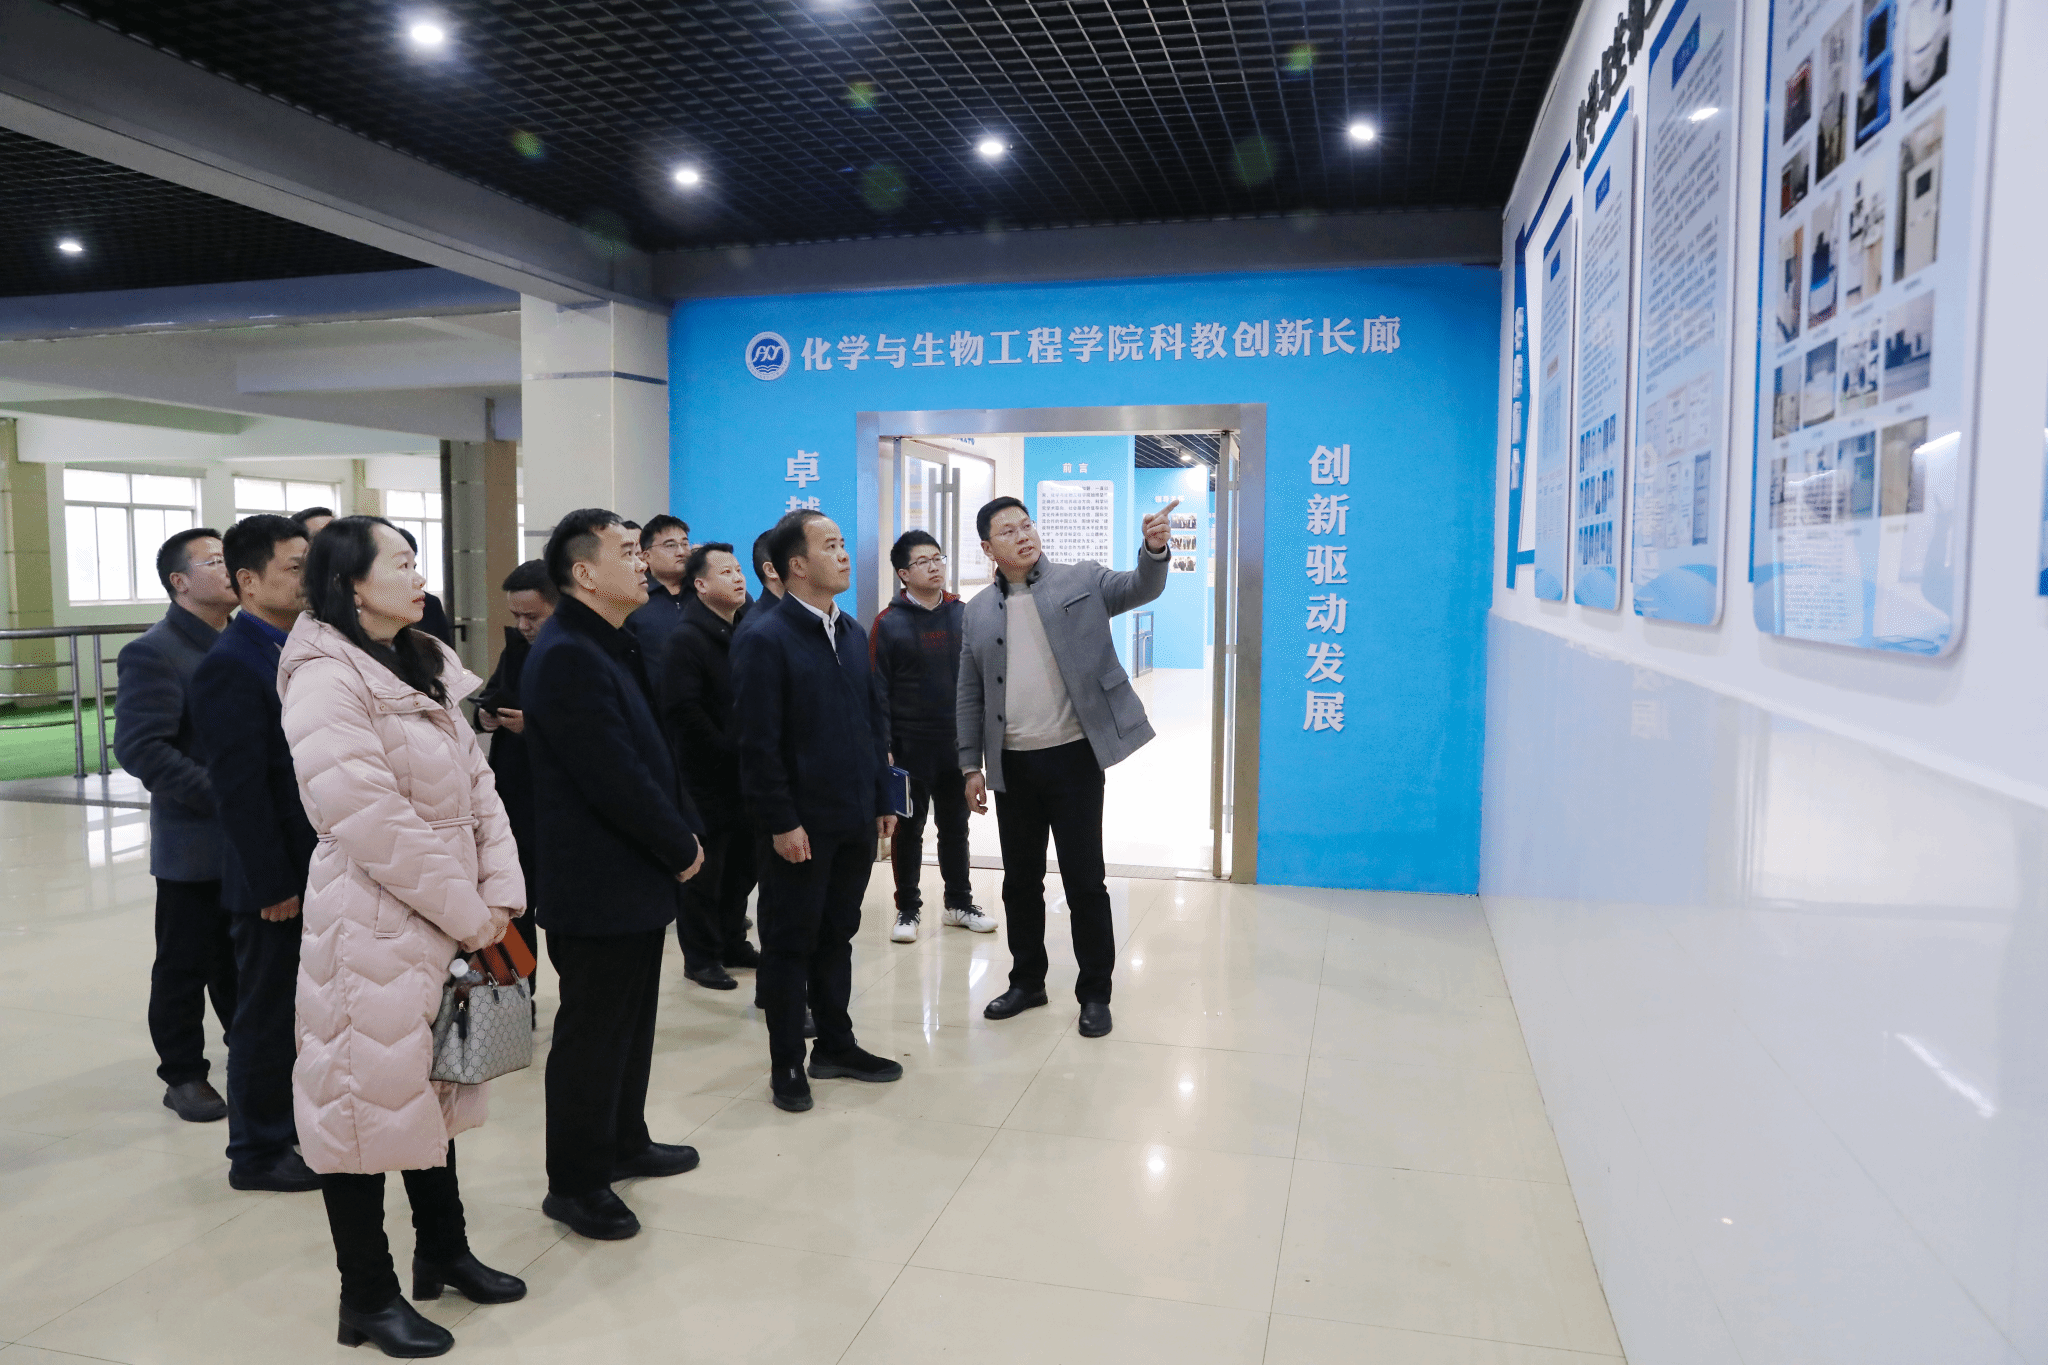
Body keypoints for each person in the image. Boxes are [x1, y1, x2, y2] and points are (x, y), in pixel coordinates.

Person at [280, 516, 527, 1357]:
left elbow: (479, 785)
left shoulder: (419, 658)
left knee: (432, 1088)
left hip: (449, 911)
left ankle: (443, 1250)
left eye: (417, 561)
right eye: (401, 562)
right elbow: (369, 819)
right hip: (372, 921)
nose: (419, 576)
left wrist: (500, 892)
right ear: (350, 583)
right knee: (359, 1105)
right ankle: (366, 1295)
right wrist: (472, 912)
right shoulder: (323, 676)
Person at [523, 508, 706, 1241]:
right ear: (584, 573)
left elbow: (652, 752)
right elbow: (612, 774)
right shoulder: (569, 652)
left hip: (630, 876)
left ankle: (624, 1139)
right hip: (596, 880)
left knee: (631, 1023)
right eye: (627, 552)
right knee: (593, 1035)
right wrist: (678, 844)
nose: (642, 562)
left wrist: (679, 830)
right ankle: (575, 1183)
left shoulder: (609, 640)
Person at [958, 495, 1176, 1039]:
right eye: (1008, 531)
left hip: (1074, 757)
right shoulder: (977, 610)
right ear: (987, 548)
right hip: (1012, 766)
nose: (1023, 535)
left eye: (1027, 524)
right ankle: (1027, 982)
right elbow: (969, 692)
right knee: (1019, 883)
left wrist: (1154, 549)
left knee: (1084, 881)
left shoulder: (1082, 578)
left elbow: (1140, 587)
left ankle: (1095, 993)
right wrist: (969, 765)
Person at [732, 509, 902, 1112]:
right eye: (830, 545)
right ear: (797, 566)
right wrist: (781, 822)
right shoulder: (765, 637)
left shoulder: (850, 631)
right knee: (790, 943)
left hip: (852, 817)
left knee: (838, 936)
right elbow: (757, 743)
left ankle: (836, 1045)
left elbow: (874, 720)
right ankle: (786, 1063)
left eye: (842, 543)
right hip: (799, 827)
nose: (845, 554)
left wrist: (883, 796)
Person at [190, 515, 322, 1191]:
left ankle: (290, 1128)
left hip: (311, 867)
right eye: (294, 567)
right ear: (247, 579)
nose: (307, 577)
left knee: (298, 1013)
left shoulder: (296, 646)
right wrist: (273, 883)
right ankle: (257, 1151)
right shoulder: (233, 663)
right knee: (265, 1017)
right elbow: (240, 790)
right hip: (273, 881)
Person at [115, 528, 239, 1123]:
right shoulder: (155, 651)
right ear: (180, 582)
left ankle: (254, 1051)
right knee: (184, 963)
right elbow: (143, 749)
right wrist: (228, 796)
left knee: (245, 959)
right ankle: (184, 1073)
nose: (229, 569)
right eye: (215, 561)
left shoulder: (246, 638)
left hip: (253, 838)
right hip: (197, 839)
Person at [871, 531, 992, 943]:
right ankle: (907, 908)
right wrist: (884, 747)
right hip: (908, 748)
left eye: (938, 558)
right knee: (909, 830)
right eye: (923, 561)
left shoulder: (962, 614)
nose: (934, 566)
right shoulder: (888, 623)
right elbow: (877, 691)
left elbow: (979, 681)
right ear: (904, 574)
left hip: (955, 745)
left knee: (956, 828)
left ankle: (959, 903)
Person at [657, 542, 761, 990]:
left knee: (743, 865)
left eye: (738, 570)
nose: (738, 578)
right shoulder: (687, 637)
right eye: (725, 572)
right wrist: (727, 750)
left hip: (745, 772)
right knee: (708, 871)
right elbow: (684, 710)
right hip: (707, 776)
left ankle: (732, 941)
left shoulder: (745, 627)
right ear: (700, 585)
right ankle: (700, 957)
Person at [473, 560, 554, 968]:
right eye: (516, 616)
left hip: (556, 796)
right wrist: (484, 716)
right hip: (513, 790)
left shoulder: (574, 651)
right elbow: (494, 692)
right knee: (511, 895)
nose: (523, 625)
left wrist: (535, 725)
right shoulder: (517, 647)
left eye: (533, 616)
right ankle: (518, 988)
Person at [626, 514, 692, 667]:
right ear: (646, 556)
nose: (681, 552)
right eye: (671, 545)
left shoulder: (705, 591)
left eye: (685, 543)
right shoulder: (633, 599)